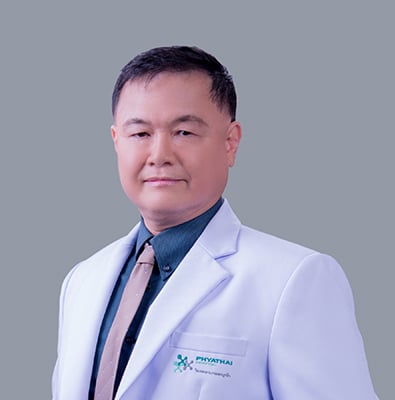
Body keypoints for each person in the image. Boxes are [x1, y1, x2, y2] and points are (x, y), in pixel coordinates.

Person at [52, 46, 378, 399]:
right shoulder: (82, 280)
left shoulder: (295, 280)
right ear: (117, 141)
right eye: (141, 134)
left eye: (184, 132)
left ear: (230, 143)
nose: (159, 155)